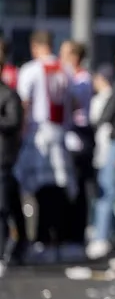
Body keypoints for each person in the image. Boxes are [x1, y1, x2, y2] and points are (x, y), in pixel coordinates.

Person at [14, 30, 77, 264]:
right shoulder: (65, 70)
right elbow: (74, 102)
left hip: (37, 135)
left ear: (35, 46)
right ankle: (56, 239)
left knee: (39, 190)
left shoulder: (31, 70)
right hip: (60, 135)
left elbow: (24, 103)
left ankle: (41, 239)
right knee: (59, 190)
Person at [88, 51, 115, 259]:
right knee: (114, 194)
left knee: (109, 194)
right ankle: (114, 235)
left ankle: (103, 237)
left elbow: (106, 116)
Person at [60, 40, 95, 261]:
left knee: (79, 189)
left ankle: (76, 236)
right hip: (69, 135)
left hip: (80, 136)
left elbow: (72, 103)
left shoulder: (81, 79)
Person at [0, 40, 23, 275]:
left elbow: (14, 122)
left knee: (3, 208)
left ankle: (6, 251)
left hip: (3, 158)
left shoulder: (8, 94)